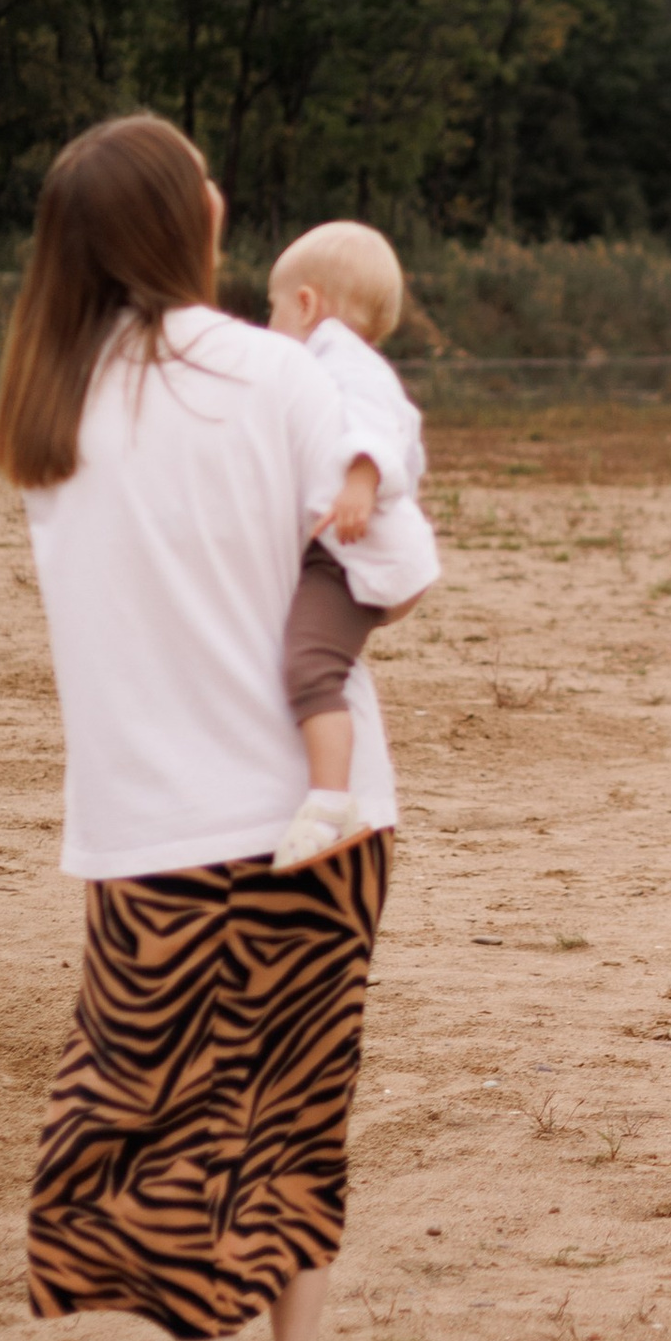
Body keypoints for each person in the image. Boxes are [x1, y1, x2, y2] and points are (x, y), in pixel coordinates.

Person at [0, 113, 398, 1341]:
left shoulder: (45, 411)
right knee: (295, 1107)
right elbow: (391, 557)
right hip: (317, 817)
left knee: (171, 1124)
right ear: (187, 224)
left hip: (150, 830)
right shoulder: (285, 377)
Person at [264, 219, 441, 870]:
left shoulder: (341, 360)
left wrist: (361, 482)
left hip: (356, 552)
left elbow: (377, 432)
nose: (270, 321)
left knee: (309, 664)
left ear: (307, 305)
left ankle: (330, 802)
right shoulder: (357, 363)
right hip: (361, 546)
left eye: (273, 308)